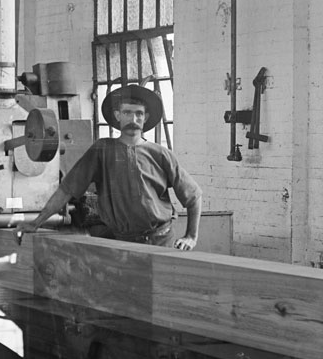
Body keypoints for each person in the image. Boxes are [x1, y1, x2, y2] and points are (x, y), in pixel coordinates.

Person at [19, 84, 201, 250]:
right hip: (121, 242)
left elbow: (193, 196)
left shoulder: (161, 154)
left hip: (160, 240)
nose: (133, 118)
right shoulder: (102, 150)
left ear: (145, 118)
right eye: (127, 112)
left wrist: (191, 237)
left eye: (139, 114)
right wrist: (36, 223)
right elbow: (67, 189)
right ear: (117, 115)